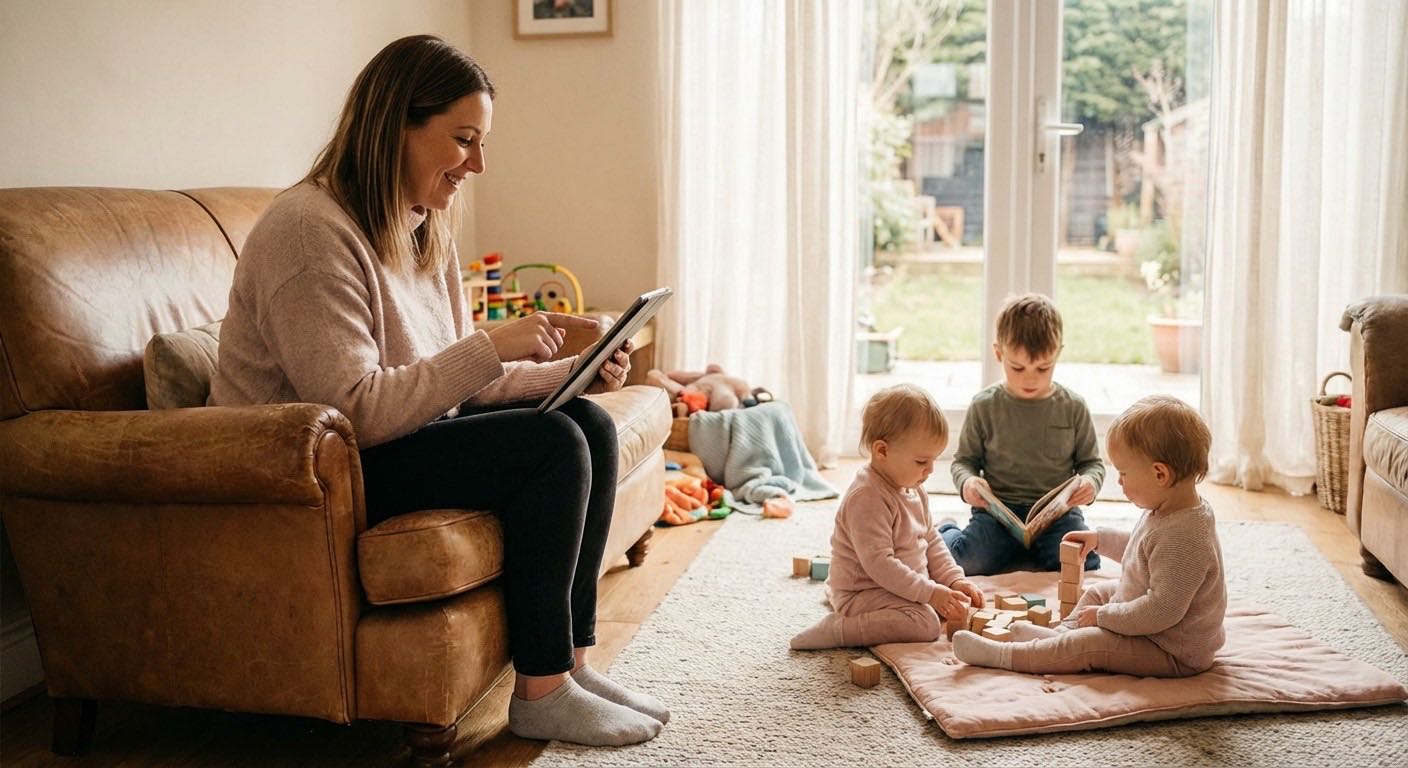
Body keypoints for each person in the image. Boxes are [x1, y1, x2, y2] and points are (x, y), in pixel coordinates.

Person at [209, 35, 665, 747]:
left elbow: (459, 388)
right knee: (549, 445)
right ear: (396, 125)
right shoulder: (307, 231)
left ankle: (569, 666)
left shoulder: (423, 224)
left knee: (587, 421)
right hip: (310, 475)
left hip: (392, 437)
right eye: (462, 140)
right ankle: (541, 692)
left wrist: (573, 373)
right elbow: (353, 410)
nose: (476, 165)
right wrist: (491, 345)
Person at [951, 395, 1226, 677]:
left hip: (1169, 649)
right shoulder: (1171, 508)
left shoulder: (1185, 539)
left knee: (1091, 644)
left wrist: (1103, 618)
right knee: (1098, 591)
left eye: (1123, 473)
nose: (1119, 482)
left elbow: (1160, 611)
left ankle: (1005, 656)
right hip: (1151, 621)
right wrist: (1100, 540)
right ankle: (1061, 634)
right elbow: (1142, 550)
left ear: (1160, 474)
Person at [790, 385, 984, 650]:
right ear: (882, 451)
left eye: (933, 461)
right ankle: (839, 629)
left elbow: (931, 538)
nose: (929, 470)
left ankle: (923, 597)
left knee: (947, 605)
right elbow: (880, 564)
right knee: (925, 623)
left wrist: (953, 579)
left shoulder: (913, 487)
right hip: (862, 591)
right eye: (920, 462)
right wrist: (928, 592)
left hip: (897, 586)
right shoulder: (867, 497)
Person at [939, 293, 1104, 575]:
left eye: (1043, 367)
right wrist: (968, 485)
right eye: (1018, 367)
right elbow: (963, 462)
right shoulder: (984, 405)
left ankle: (1023, 552)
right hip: (998, 515)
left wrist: (1090, 483)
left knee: (1084, 562)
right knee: (967, 562)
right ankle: (946, 530)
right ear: (998, 353)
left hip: (1056, 515)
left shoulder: (1073, 407)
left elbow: (1092, 463)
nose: (1031, 378)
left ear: (1058, 353)